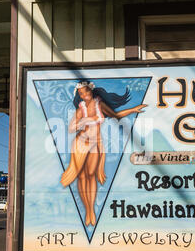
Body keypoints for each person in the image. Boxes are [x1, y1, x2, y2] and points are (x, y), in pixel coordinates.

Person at [61, 81, 147, 226]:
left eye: (86, 92)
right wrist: (85, 121)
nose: (84, 96)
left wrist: (133, 110)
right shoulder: (81, 108)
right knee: (81, 177)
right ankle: (88, 209)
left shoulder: (100, 105)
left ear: (91, 91)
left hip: (95, 144)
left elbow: (115, 115)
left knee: (91, 176)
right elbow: (71, 128)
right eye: (81, 94)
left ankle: (91, 211)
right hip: (81, 143)